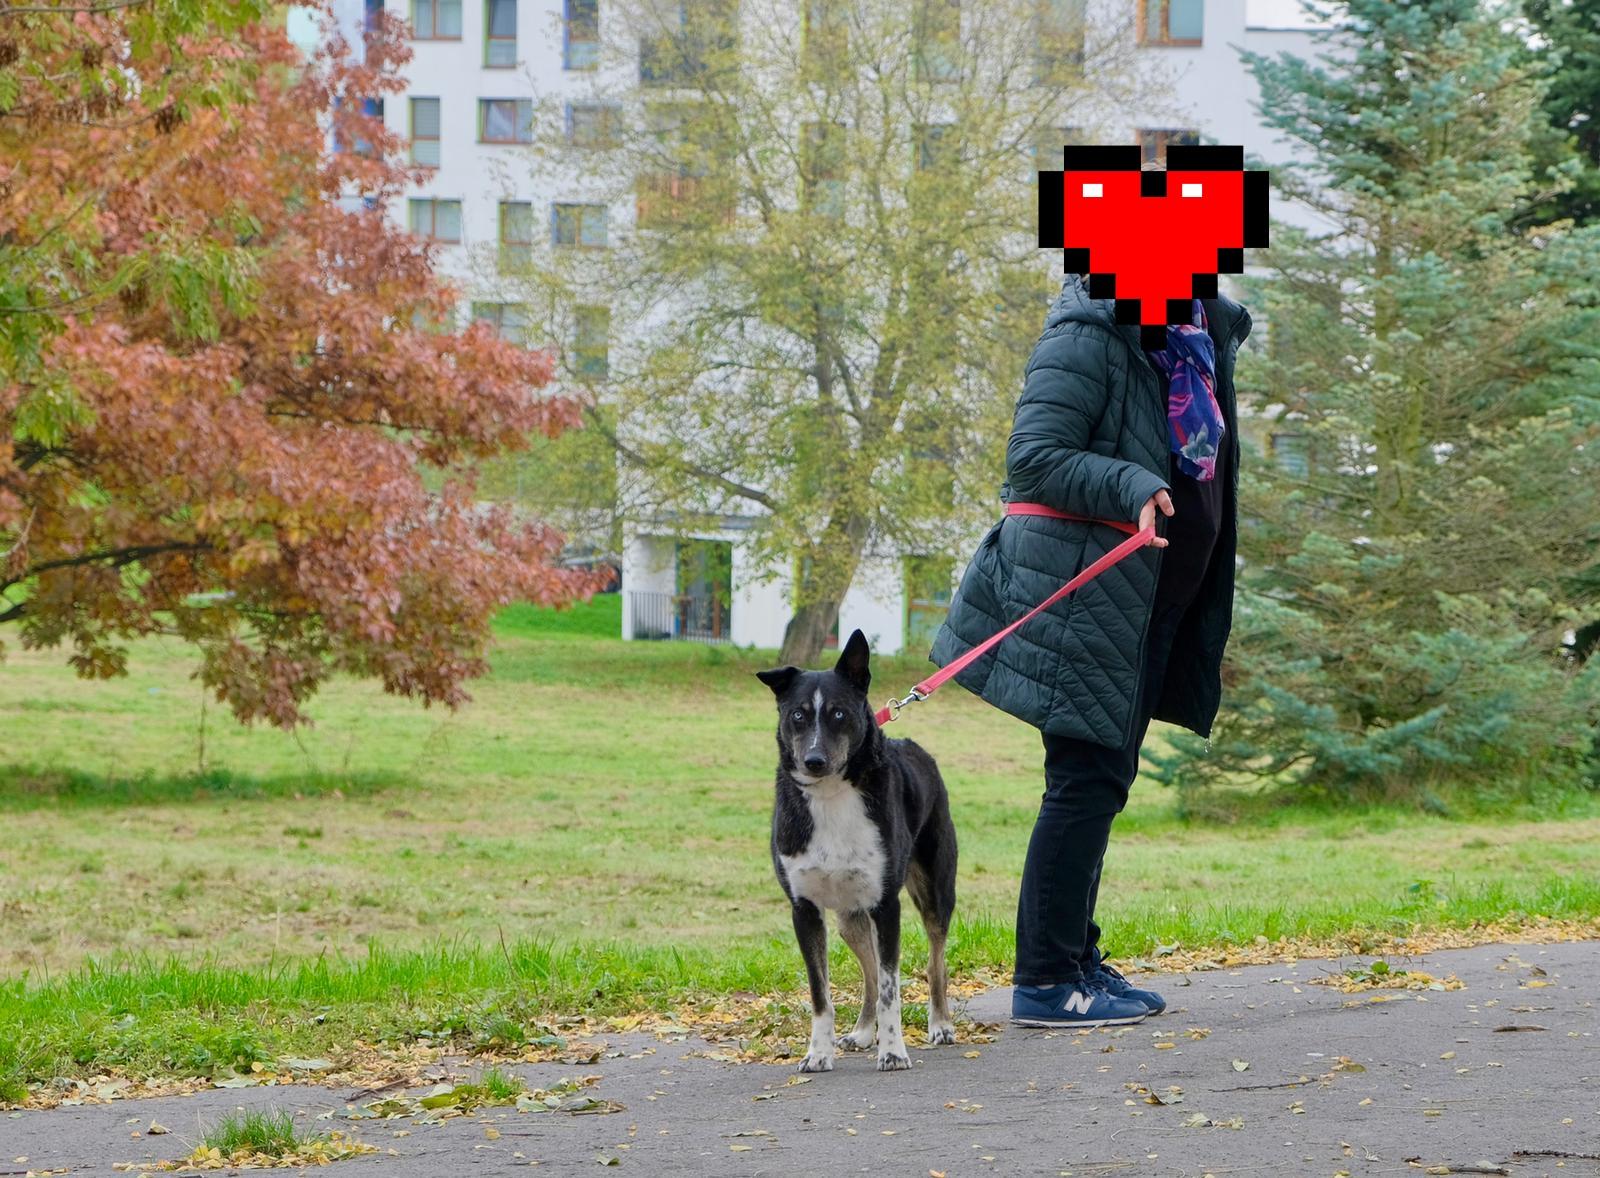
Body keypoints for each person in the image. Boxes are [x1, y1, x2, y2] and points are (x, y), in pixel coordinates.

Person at [928, 179, 1251, 1026]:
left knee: (1101, 780)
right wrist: (1133, 483)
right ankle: (1045, 980)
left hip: (1150, 602)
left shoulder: (1190, 336)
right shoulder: (1087, 333)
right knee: (1084, 780)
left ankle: (1074, 959)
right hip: (1087, 593)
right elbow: (1034, 458)